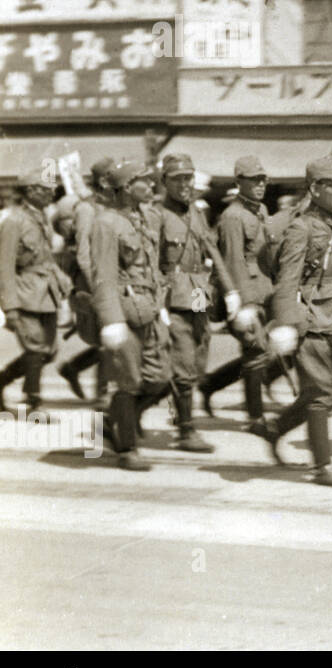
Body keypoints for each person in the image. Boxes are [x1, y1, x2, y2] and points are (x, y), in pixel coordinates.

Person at [251, 157, 332, 487]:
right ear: (315, 188)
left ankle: (274, 429)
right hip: (312, 319)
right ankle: (322, 467)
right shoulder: (301, 227)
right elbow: (287, 280)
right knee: (319, 394)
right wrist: (285, 323)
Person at [87, 161, 171, 471]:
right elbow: (104, 277)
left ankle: (113, 421)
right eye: (144, 182)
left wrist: (160, 304)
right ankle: (127, 449)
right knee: (127, 381)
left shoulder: (141, 218)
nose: (151, 186)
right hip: (123, 311)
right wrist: (112, 320)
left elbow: (150, 268)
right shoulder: (105, 223)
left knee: (161, 377)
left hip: (147, 308)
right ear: (125, 188)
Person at [156, 153, 240, 453]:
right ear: (164, 181)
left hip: (198, 294)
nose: (184, 184)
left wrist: (229, 291)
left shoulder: (196, 213)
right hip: (173, 297)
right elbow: (151, 262)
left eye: (188, 178)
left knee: (198, 361)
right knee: (183, 366)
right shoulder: (157, 214)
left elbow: (211, 251)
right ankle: (186, 431)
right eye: (177, 178)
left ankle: (124, 417)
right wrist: (158, 304)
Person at [205, 155, 285, 420]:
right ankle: (255, 417)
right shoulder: (232, 217)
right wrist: (244, 304)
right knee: (256, 353)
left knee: (266, 350)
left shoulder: (261, 211)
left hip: (266, 290)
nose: (260, 185)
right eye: (254, 180)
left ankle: (210, 385)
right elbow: (233, 262)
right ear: (239, 182)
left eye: (263, 180)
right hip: (246, 294)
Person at [0, 166, 70, 414]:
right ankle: (32, 403)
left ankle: (1, 382)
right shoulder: (13, 221)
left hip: (46, 293)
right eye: (47, 190)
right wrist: (9, 306)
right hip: (25, 293)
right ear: (31, 191)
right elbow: (5, 266)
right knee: (34, 349)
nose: (52, 194)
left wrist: (62, 285)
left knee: (48, 352)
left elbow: (47, 258)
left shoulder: (42, 219)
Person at [57, 155, 118, 403]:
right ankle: (103, 397)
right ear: (104, 180)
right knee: (107, 339)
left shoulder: (111, 206)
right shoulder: (86, 209)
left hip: (111, 281)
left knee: (115, 336)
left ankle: (73, 368)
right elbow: (83, 254)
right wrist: (99, 288)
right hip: (93, 283)